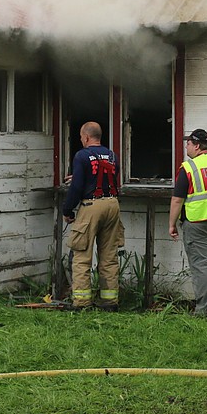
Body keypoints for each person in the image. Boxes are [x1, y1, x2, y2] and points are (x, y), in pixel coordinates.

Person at [62, 121, 124, 311]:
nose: (81, 140)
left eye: (81, 137)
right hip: (112, 205)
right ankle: (110, 302)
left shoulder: (82, 156)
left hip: (92, 206)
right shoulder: (112, 155)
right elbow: (109, 177)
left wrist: (67, 210)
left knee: (81, 255)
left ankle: (81, 303)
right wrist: (83, 177)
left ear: (86, 137)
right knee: (109, 256)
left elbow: (78, 188)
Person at [168, 128, 207, 317]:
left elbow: (177, 199)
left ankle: (204, 311)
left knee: (202, 265)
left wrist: (171, 224)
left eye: (188, 143)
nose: (186, 146)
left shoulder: (189, 167)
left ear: (197, 146)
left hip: (197, 222)